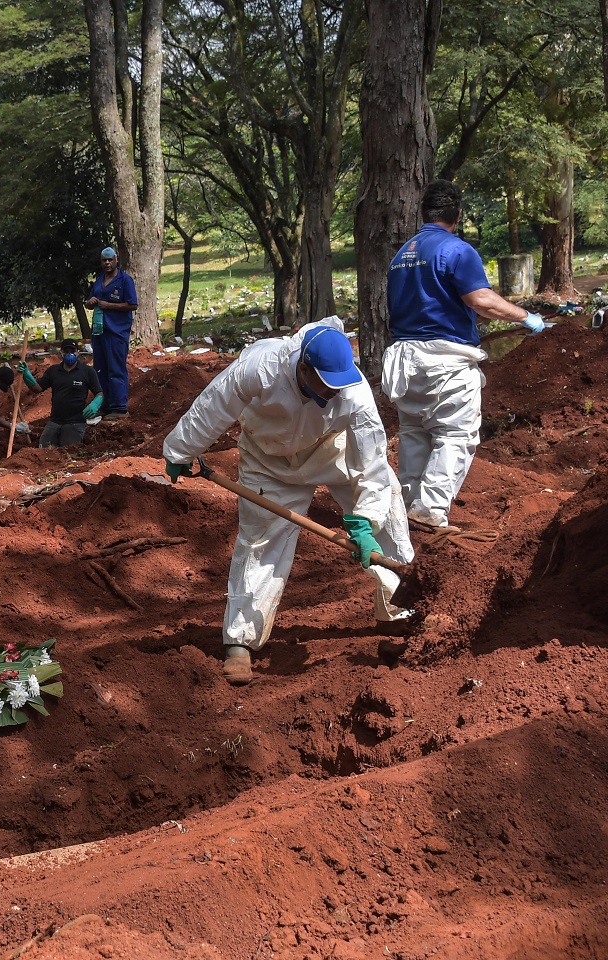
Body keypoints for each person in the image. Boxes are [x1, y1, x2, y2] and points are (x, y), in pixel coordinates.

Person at [163, 318, 414, 686]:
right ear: (303, 367)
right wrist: (180, 449)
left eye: (338, 386)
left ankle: (399, 611)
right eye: (324, 385)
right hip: (270, 461)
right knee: (260, 542)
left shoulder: (354, 393)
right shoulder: (261, 367)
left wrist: (364, 521)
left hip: (333, 452)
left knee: (389, 512)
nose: (332, 393)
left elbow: (372, 462)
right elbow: (214, 404)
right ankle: (241, 642)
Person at [384, 179, 545, 529]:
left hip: (406, 361)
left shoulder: (401, 256)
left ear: (423, 213)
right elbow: (481, 300)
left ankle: (409, 507)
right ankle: (429, 511)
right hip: (446, 362)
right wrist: (526, 317)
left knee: (415, 434)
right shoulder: (456, 250)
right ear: (457, 216)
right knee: (457, 434)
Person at [19, 339, 102, 448]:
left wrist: (95, 404)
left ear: (77, 352)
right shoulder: (53, 371)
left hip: (75, 422)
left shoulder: (87, 371)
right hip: (55, 421)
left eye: (72, 351)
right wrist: (26, 374)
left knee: (67, 451)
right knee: (44, 450)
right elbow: (37, 388)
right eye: (66, 351)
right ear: (61, 353)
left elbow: (99, 392)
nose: (69, 354)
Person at [87, 246, 137, 418]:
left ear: (116, 260)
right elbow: (89, 302)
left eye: (110, 259)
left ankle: (119, 407)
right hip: (99, 331)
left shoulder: (125, 281)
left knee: (116, 368)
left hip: (116, 332)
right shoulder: (99, 281)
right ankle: (105, 405)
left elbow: (133, 305)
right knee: (100, 369)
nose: (107, 263)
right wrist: (90, 302)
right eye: (104, 260)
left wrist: (109, 306)